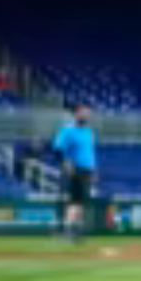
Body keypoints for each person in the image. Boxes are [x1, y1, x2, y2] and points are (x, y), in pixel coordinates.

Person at [53, 104, 97, 243]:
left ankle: (77, 232)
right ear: (76, 114)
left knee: (81, 202)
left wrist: (94, 170)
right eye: (84, 113)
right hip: (76, 169)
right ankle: (68, 232)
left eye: (88, 113)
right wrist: (67, 164)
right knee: (74, 201)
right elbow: (57, 148)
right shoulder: (68, 130)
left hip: (87, 170)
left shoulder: (89, 131)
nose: (86, 115)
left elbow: (90, 152)